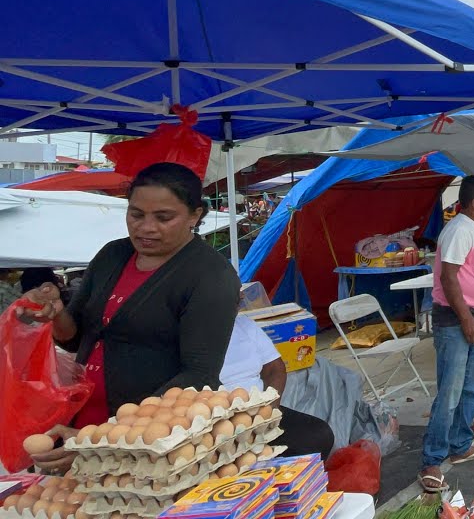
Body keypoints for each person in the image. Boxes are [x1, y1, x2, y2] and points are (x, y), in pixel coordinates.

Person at [19, 162, 240, 473]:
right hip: (79, 424)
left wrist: (106, 438)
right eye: (136, 214)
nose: (146, 228)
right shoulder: (113, 255)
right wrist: (55, 314)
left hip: (148, 441)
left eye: (164, 217)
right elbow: (75, 339)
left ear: (195, 215)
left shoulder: (210, 276)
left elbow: (198, 375)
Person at [420, 175, 474, 493]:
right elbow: (449, 277)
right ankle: (432, 460)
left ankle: (460, 445)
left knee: (472, 387)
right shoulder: (457, 230)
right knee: (450, 392)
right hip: (455, 322)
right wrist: (467, 319)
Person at [220, 314, 335, 458]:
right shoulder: (194, 333)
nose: (240, 298)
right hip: (219, 423)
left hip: (260, 411)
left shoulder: (242, 324)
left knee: (319, 435)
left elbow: (275, 368)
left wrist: (270, 411)